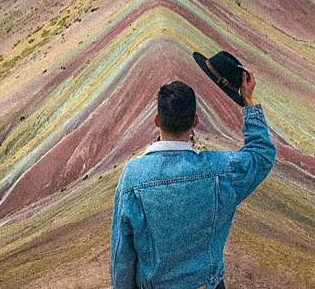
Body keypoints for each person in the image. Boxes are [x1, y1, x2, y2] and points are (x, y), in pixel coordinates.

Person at [110, 57, 276, 289]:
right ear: (195, 121)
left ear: (157, 120)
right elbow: (261, 155)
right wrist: (247, 101)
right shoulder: (221, 170)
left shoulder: (133, 177)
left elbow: (122, 256)